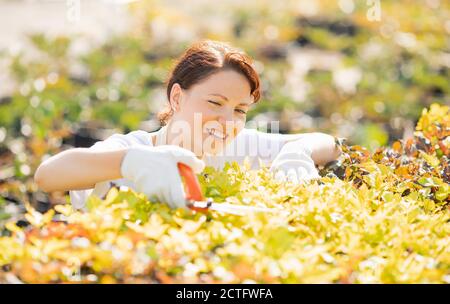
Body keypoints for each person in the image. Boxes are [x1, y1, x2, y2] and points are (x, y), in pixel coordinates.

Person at [34, 40, 341, 211]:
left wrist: (296, 150)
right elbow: (47, 176)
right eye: (214, 103)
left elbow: (331, 143)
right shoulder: (135, 148)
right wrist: (130, 163)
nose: (227, 121)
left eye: (240, 110)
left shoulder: (240, 146)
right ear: (177, 98)